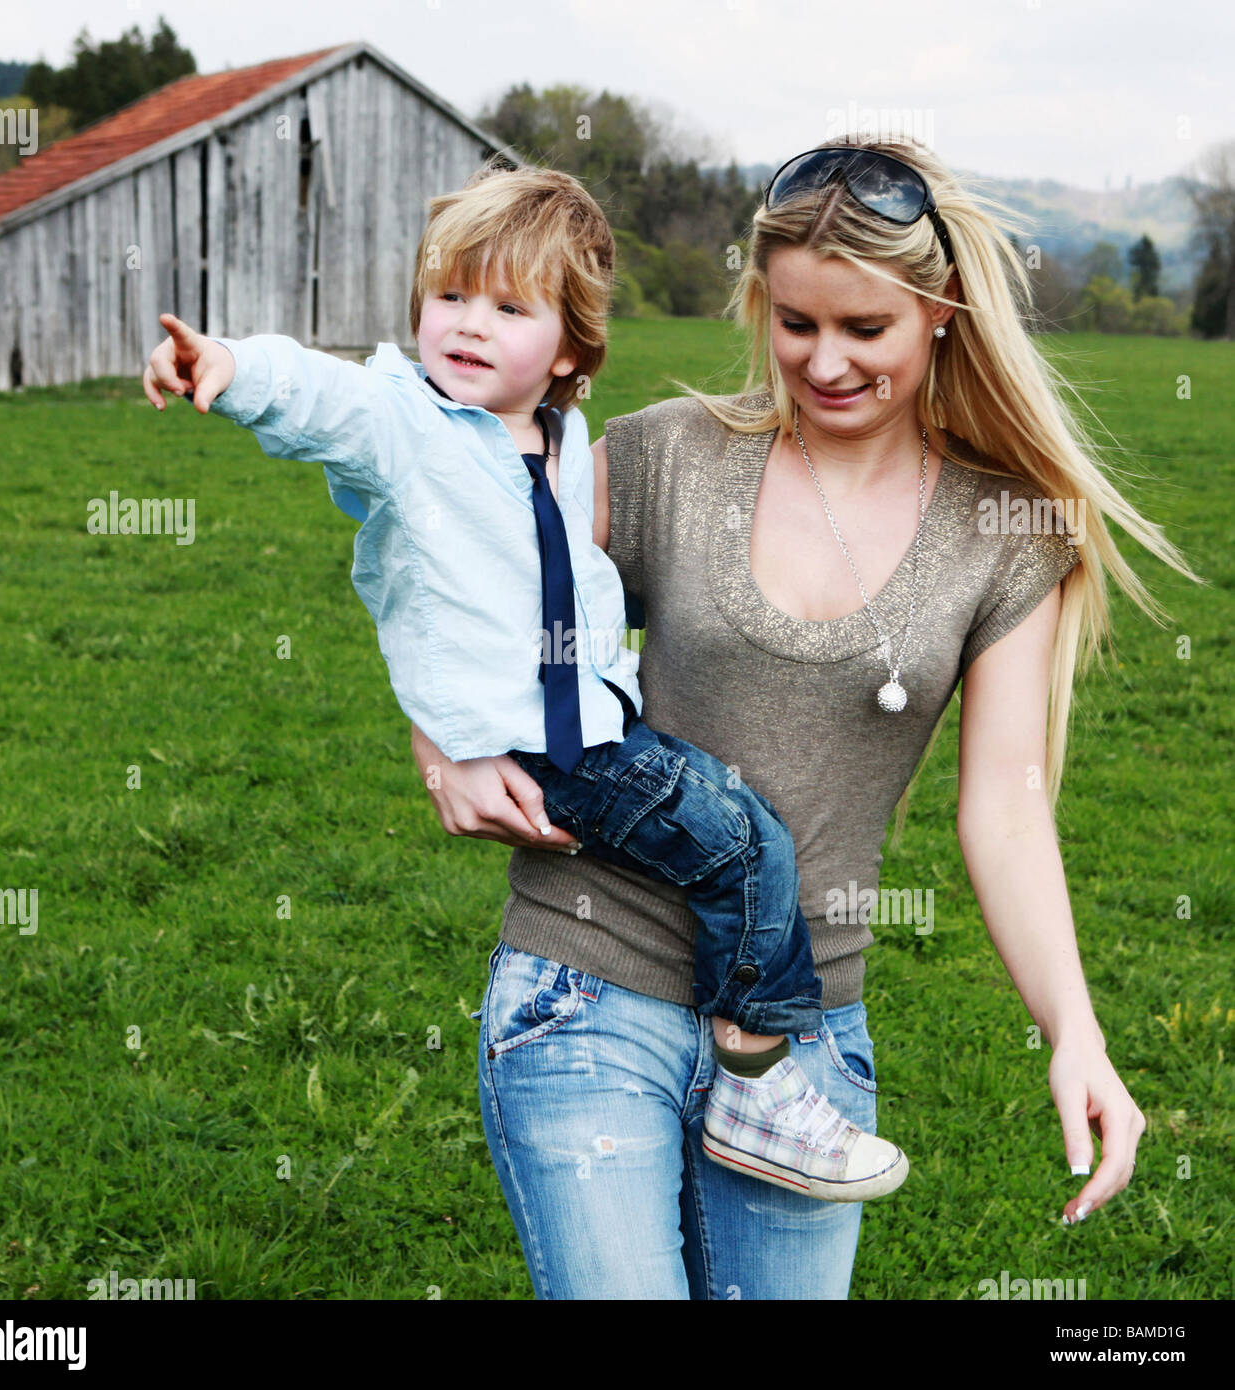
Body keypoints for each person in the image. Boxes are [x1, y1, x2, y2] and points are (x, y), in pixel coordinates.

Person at [409, 136, 1197, 1299]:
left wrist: (1074, 1029)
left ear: (939, 312)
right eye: (794, 324)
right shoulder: (669, 454)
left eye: (861, 330)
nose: (821, 362)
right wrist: (443, 743)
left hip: (804, 1041)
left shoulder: (1005, 529)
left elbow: (1008, 808)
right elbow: (471, 569)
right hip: (587, 986)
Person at [141, 161, 909, 1201]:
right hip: (553, 745)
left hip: (589, 717)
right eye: (449, 295)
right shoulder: (406, 422)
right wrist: (226, 364)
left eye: (509, 306)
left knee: (725, 837)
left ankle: (719, 1043)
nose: (468, 323)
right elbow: (323, 395)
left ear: (570, 350)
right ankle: (756, 1075)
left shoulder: (558, 439)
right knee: (743, 841)